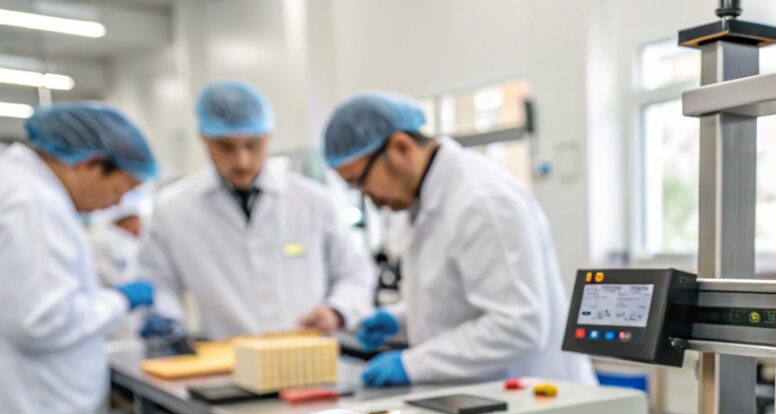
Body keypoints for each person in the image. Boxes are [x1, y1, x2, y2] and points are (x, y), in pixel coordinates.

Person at [322, 92, 595, 387]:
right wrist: (398, 321)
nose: (365, 195)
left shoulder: (481, 201)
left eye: (360, 180)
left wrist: (412, 364)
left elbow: (518, 325)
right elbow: (454, 302)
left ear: (401, 147)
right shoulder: (422, 202)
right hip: (484, 397)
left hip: (537, 398)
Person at [0, 102, 158, 414]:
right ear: (89, 164)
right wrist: (120, 300)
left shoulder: (27, 189)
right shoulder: (31, 201)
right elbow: (39, 320)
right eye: (119, 188)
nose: (117, 203)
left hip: (45, 406)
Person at [136, 80, 376, 340]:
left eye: (253, 145)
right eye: (225, 147)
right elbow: (157, 282)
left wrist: (336, 310)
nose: (241, 161)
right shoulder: (173, 209)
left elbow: (355, 272)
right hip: (226, 360)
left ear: (269, 137)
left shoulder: (314, 200)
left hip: (308, 356)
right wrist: (166, 319)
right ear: (203, 139)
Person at [88, 188, 150, 341]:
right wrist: (130, 293)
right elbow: (114, 276)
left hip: (123, 319)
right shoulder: (106, 240)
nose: (141, 223)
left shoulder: (127, 241)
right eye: (137, 218)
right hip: (111, 318)